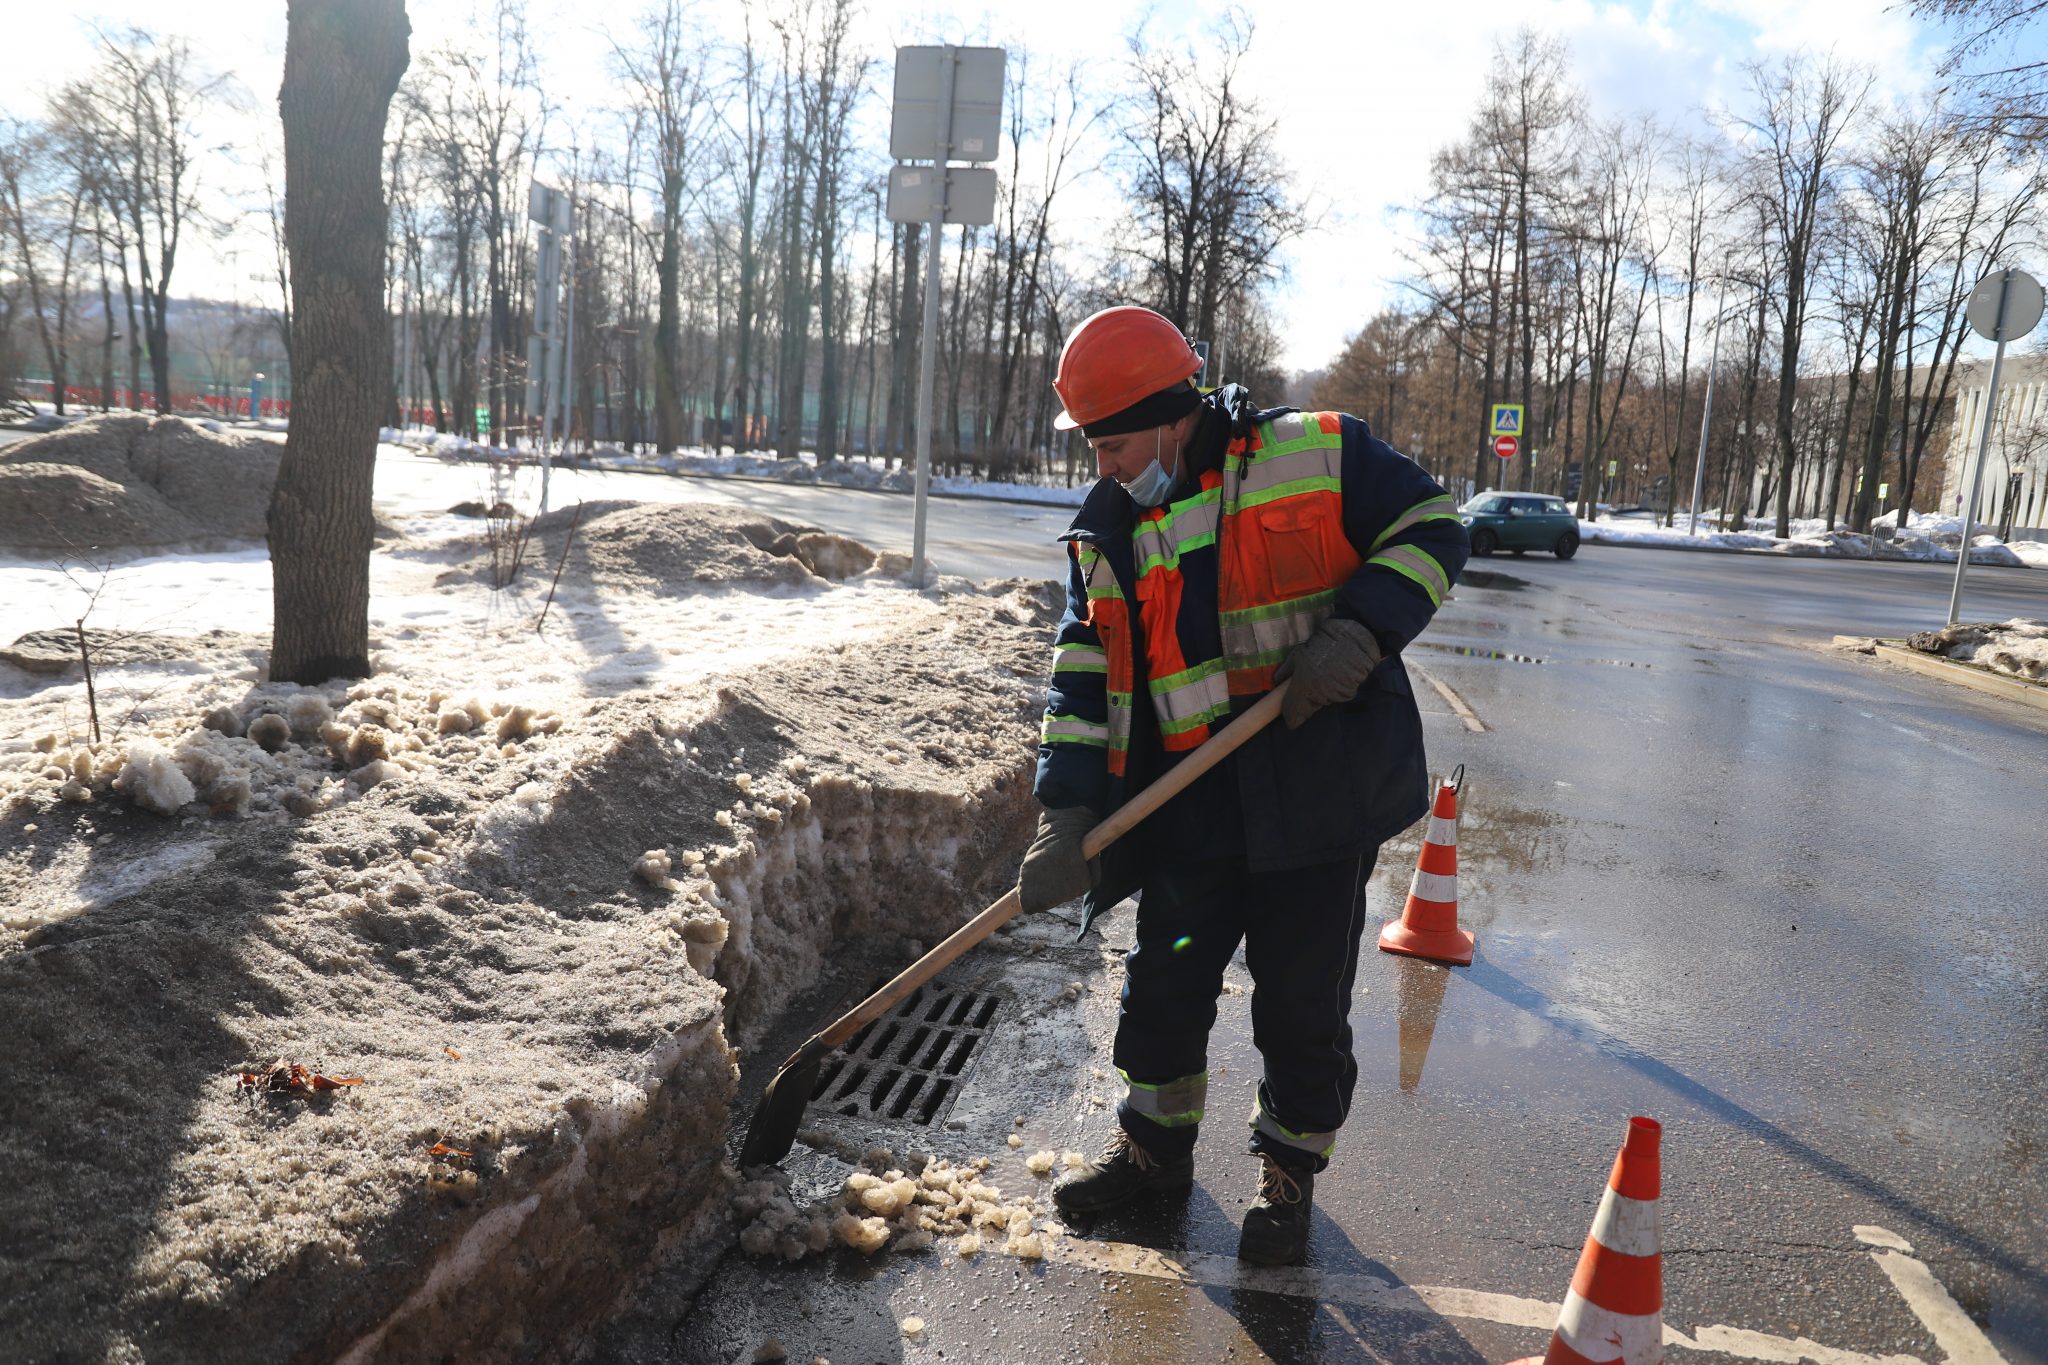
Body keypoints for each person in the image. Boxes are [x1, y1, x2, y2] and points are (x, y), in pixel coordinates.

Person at [1017, 305, 1468, 1266]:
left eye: (1120, 442)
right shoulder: (1107, 529)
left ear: (1176, 416)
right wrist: (1065, 812)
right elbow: (1083, 672)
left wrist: (1359, 630)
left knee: (1302, 1003)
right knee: (1164, 989)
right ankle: (1151, 1153)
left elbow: (1433, 526)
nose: (1106, 465)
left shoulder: (1311, 455)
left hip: (1313, 792)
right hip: (1188, 797)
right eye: (1094, 446)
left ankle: (1288, 1176)